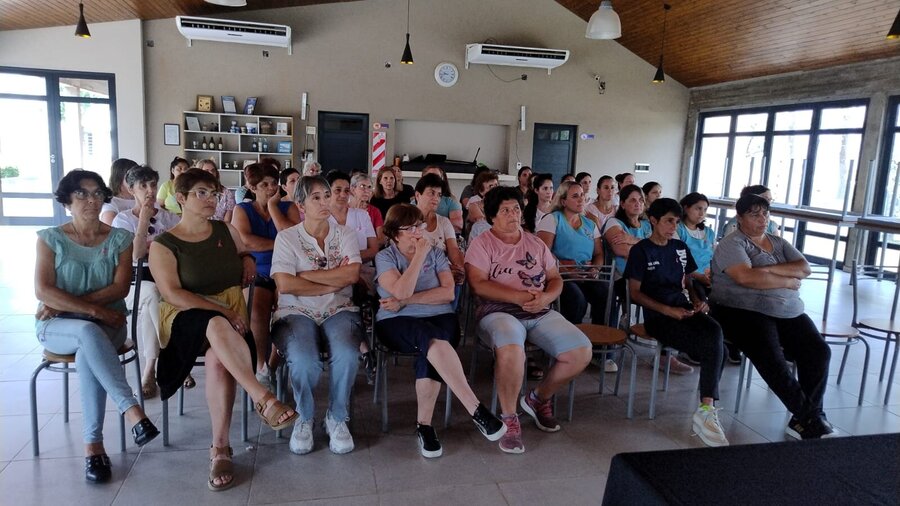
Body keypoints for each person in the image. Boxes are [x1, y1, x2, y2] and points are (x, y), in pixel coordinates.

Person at [150, 168, 297, 491]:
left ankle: (220, 448)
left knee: (218, 359)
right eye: (201, 193)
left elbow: (243, 252)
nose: (210, 200)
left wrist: (245, 258)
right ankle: (263, 397)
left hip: (229, 322)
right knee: (214, 322)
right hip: (184, 317)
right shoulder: (164, 244)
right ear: (181, 198)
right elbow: (173, 293)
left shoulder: (225, 231)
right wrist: (222, 311)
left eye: (214, 194)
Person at [35, 170, 160, 483]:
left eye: (95, 193)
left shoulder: (118, 238)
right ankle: (132, 411)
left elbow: (119, 289)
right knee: (87, 334)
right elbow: (43, 291)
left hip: (108, 324)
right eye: (81, 194)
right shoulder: (50, 239)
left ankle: (94, 447)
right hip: (58, 327)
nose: (90, 200)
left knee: (89, 344)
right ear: (67, 201)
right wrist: (93, 310)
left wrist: (69, 303)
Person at [465, 186, 592, 453]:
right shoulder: (482, 244)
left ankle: (538, 398)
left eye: (516, 209)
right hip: (498, 311)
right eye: (505, 210)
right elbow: (477, 285)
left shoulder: (534, 242)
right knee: (512, 350)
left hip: (538, 309)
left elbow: (555, 278)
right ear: (491, 217)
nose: (513, 214)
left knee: (580, 351)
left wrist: (546, 298)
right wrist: (517, 296)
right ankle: (509, 417)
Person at [375, 204, 507, 457]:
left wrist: (406, 301)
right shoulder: (386, 257)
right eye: (411, 228)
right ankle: (475, 410)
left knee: (433, 347)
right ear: (395, 234)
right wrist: (416, 262)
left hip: (439, 317)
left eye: (420, 225)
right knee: (431, 341)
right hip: (396, 323)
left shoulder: (436, 253)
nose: (418, 231)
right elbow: (400, 289)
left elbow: (447, 293)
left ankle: (424, 427)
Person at [709, 194, 835, 440]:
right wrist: (787, 280)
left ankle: (808, 415)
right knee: (771, 357)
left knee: (818, 351)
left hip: (786, 310)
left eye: (765, 214)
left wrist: (766, 269)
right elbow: (745, 277)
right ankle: (809, 416)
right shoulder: (732, 244)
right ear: (740, 218)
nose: (762, 219)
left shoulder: (777, 242)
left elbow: (804, 267)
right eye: (755, 214)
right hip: (743, 311)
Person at [624, 198, 729, 447]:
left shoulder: (679, 248)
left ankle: (706, 408)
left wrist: (695, 301)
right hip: (658, 317)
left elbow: (690, 279)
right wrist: (667, 310)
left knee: (715, 331)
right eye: (669, 221)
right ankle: (706, 410)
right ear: (653, 221)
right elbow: (635, 293)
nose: (673, 226)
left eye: (676, 221)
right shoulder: (641, 251)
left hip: (683, 310)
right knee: (716, 349)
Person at [270, 175, 363, 455]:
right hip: (296, 310)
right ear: (301, 204)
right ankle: (305, 416)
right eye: (316, 197)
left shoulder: (345, 234)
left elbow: (352, 275)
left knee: (347, 353)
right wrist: (332, 280)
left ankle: (336, 416)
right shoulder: (286, 238)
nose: (325, 202)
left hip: (339, 308)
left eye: (327, 195)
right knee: (303, 359)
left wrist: (307, 276)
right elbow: (285, 284)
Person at [603, 185, 694, 375]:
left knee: (671, 293)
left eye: (641, 200)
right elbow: (621, 250)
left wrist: (633, 241)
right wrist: (645, 248)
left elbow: (662, 246)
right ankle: (664, 352)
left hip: (654, 277)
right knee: (659, 297)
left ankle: (667, 354)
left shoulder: (646, 225)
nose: (638, 204)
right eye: (632, 200)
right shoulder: (614, 223)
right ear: (622, 203)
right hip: (625, 278)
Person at [111, 165, 180, 398]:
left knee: (155, 298)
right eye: (143, 186)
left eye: (153, 184)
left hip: (165, 279)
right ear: (131, 190)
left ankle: (150, 371)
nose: (150, 190)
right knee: (151, 294)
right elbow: (136, 256)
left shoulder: (169, 218)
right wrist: (143, 220)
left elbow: (180, 250)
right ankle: (172, 356)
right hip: (133, 283)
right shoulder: (122, 221)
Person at [231, 163, 301, 386]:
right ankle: (261, 367)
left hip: (287, 270)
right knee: (256, 313)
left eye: (274, 183)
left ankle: (272, 363)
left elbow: (295, 238)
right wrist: (280, 244)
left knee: (286, 314)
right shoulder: (242, 210)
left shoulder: (287, 207)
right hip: (258, 272)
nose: (271, 188)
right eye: (264, 185)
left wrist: (272, 207)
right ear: (252, 187)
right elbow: (245, 240)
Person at [536, 181, 616, 374]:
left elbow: (598, 253)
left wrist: (595, 269)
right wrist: (564, 267)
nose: (581, 199)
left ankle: (601, 353)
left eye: (582, 195)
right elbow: (543, 252)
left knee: (606, 295)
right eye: (575, 196)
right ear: (563, 201)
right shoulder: (552, 219)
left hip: (585, 274)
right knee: (575, 299)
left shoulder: (590, 223)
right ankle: (568, 348)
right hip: (559, 275)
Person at [414, 173, 466, 288]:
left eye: (439, 195)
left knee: (456, 277)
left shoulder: (444, 222)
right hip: (418, 272)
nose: (436, 198)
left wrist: (459, 269)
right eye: (432, 193)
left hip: (444, 272)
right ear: (418, 195)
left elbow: (453, 249)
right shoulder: (407, 222)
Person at [422, 165, 463, 232]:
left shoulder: (451, 201)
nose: (434, 180)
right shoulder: (414, 202)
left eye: (437, 177)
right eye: (430, 177)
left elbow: (458, 227)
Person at [100, 158, 138, 225]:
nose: (137, 180)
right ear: (119, 178)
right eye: (131, 176)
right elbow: (110, 233)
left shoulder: (141, 198)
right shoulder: (111, 204)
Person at [350, 173, 385, 244]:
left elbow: (381, 239)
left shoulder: (375, 211)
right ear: (353, 189)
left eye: (369, 187)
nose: (366, 190)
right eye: (362, 186)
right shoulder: (345, 209)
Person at [466, 170, 499, 240]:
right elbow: (483, 225)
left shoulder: (501, 205)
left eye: (496, 185)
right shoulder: (474, 205)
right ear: (481, 190)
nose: (495, 189)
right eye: (490, 186)